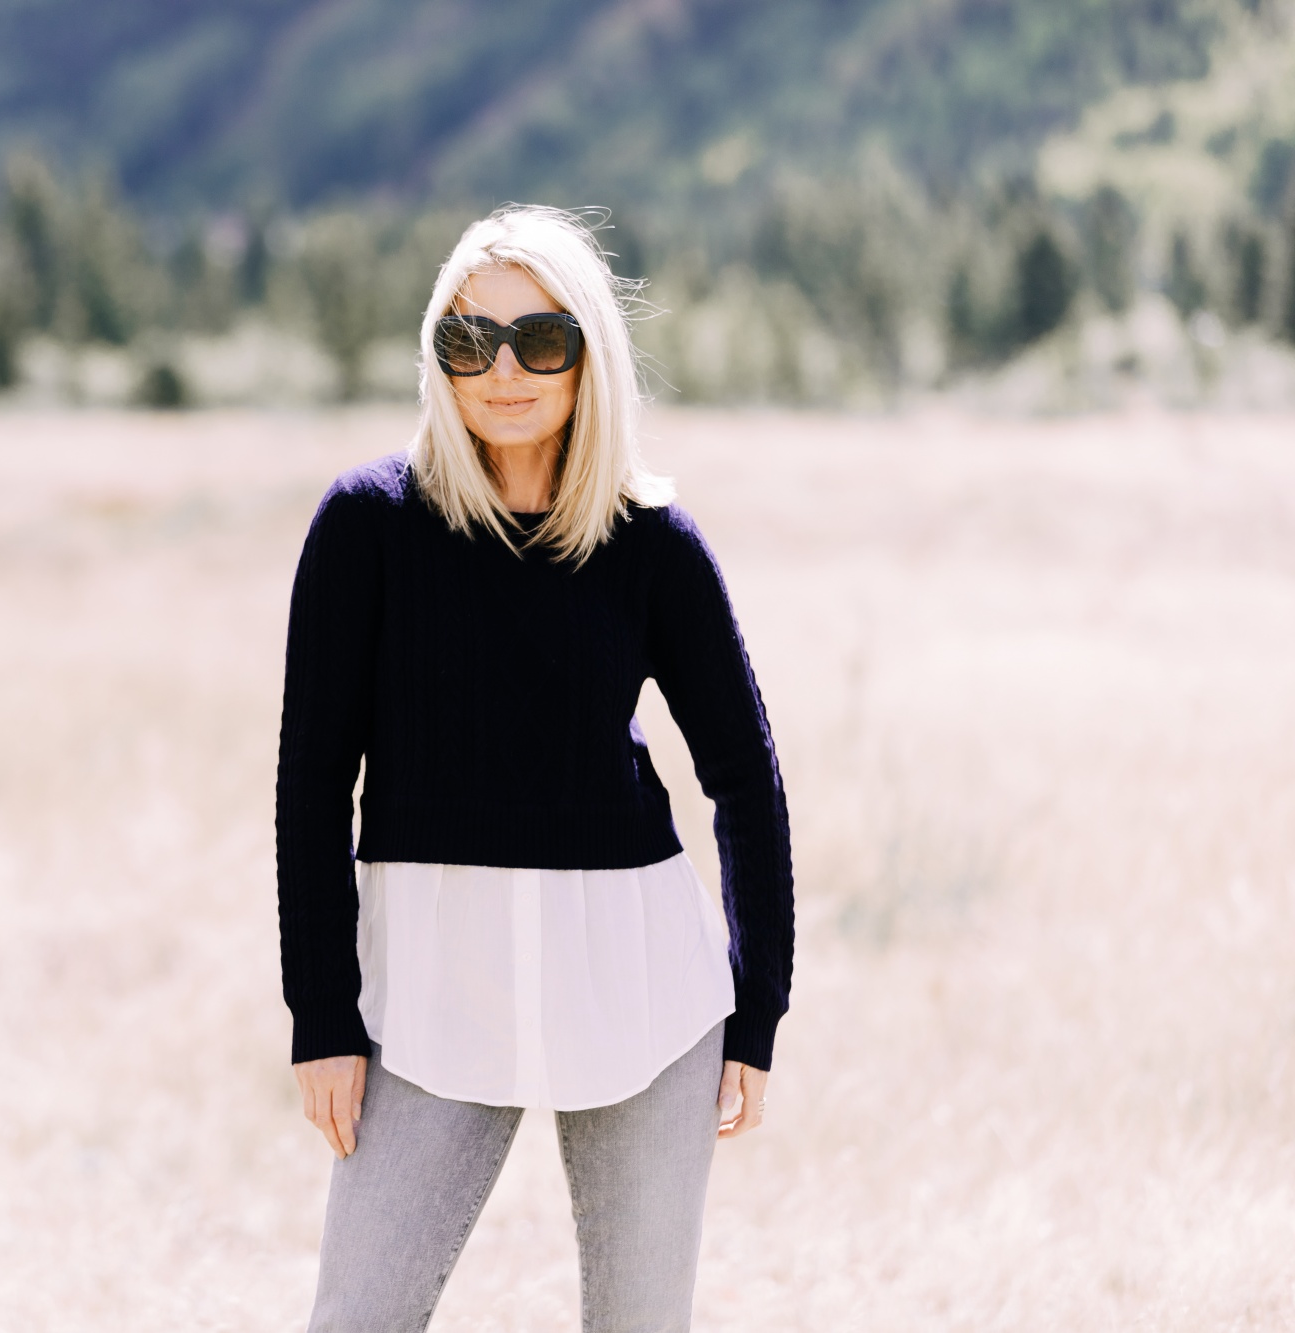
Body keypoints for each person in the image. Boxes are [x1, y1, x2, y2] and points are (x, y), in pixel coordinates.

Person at [275, 205, 794, 1332]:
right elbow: (310, 782)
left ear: (588, 353)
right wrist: (321, 1014)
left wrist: (757, 1010)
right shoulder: (365, 528)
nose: (501, 371)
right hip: (422, 993)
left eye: (537, 340)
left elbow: (743, 781)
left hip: (641, 998)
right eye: (467, 343)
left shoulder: (653, 542)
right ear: (436, 359)